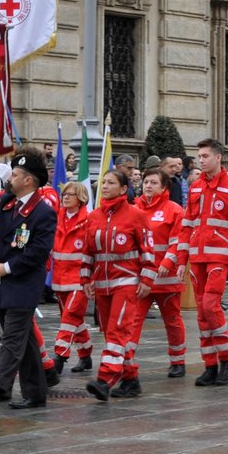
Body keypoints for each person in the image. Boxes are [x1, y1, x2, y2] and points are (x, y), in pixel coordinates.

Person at [0, 151, 57, 411]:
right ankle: (36, 393)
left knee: (12, 339)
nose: (11, 179)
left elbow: (39, 251)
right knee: (26, 341)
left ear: (28, 180)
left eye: (16, 175)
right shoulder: (6, 201)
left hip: (22, 283)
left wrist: (7, 267)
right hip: (2, 285)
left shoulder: (42, 212)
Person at [79, 169, 155, 401]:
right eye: (103, 182)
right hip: (102, 285)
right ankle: (131, 379)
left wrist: (146, 279)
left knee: (117, 331)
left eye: (111, 182)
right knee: (113, 333)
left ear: (123, 189)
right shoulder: (93, 216)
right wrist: (85, 279)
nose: (105, 185)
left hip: (127, 283)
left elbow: (148, 250)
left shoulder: (136, 215)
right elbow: (88, 251)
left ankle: (106, 379)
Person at [180, 138, 228, 386]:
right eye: (199, 156)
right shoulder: (196, 187)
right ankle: (210, 364)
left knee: (210, 306)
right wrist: (180, 260)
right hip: (197, 257)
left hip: (219, 257)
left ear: (218, 158)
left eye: (205, 156)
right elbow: (187, 225)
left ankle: (227, 359)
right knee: (201, 313)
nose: (201, 160)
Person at [137, 168, 190, 375]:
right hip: (143, 279)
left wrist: (168, 263)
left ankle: (178, 361)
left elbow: (177, 241)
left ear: (164, 187)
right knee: (133, 321)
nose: (148, 186)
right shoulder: (135, 209)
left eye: (153, 183)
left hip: (165, 278)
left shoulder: (174, 210)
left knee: (172, 320)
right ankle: (125, 360)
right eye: (146, 182)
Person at [49, 181, 94, 376]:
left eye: (70, 194)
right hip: (60, 277)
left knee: (69, 318)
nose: (65, 197)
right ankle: (85, 355)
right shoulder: (56, 217)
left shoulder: (89, 220)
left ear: (81, 198)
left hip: (80, 279)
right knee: (74, 319)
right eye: (64, 194)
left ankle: (60, 356)